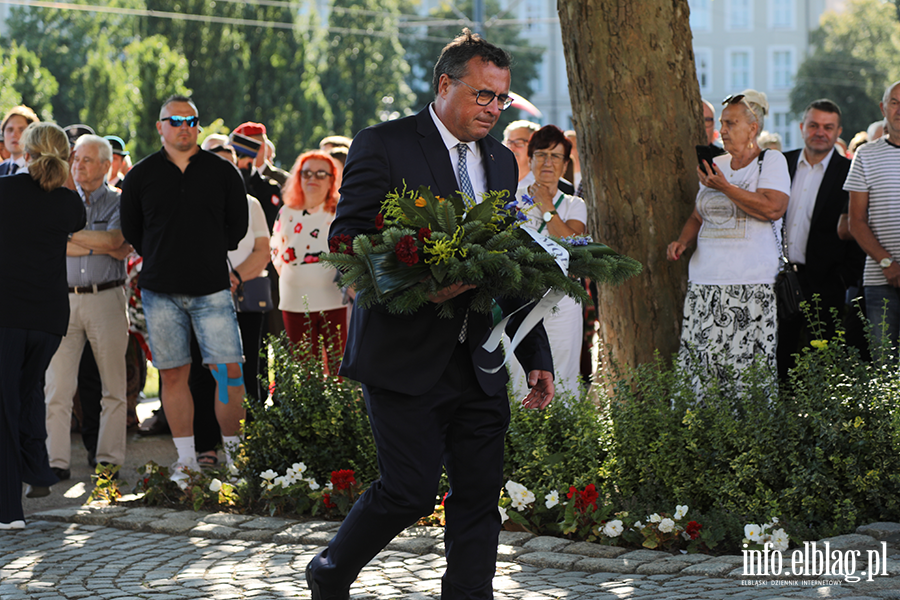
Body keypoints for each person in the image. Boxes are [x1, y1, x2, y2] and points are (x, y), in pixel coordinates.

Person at [306, 29, 555, 600]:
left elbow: (507, 257)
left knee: (477, 496)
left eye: (503, 99)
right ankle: (330, 572)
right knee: (409, 492)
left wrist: (533, 352)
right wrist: (425, 282)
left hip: (482, 356)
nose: (494, 110)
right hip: (403, 353)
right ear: (445, 85)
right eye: (483, 96)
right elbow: (348, 241)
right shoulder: (384, 144)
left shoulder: (499, 159)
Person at [120, 94, 248, 475]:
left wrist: (202, 253)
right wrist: (167, 256)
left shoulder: (223, 173)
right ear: (159, 127)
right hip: (160, 292)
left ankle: (237, 461)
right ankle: (187, 462)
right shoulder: (140, 175)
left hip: (212, 288)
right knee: (173, 374)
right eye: (174, 121)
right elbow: (134, 232)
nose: (183, 127)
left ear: (198, 125)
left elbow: (236, 229)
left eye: (190, 120)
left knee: (229, 372)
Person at [667, 89, 790, 394]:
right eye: (722, 123)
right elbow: (699, 215)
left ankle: (746, 439)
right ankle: (700, 436)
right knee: (703, 373)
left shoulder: (770, 161)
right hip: (704, 285)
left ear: (753, 127)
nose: (722, 130)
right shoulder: (715, 165)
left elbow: (772, 208)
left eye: (731, 123)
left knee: (746, 376)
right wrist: (682, 241)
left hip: (750, 286)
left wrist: (725, 187)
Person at [0, 122, 85, 529]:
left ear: (27, 152)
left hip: (8, 316)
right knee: (27, 390)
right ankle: (37, 470)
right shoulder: (70, 204)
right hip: (50, 319)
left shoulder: (5, 191)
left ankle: (9, 510)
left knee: (6, 406)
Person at [44, 135, 132, 479]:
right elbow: (53, 245)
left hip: (107, 297)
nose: (78, 165)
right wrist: (102, 245)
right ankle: (55, 462)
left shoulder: (120, 202)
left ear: (106, 165)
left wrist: (70, 238)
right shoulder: (58, 201)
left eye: (86, 160)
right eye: (75, 159)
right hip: (63, 299)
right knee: (57, 387)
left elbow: (116, 240)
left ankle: (109, 458)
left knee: (113, 385)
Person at [778, 99, 859, 378]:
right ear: (802, 127)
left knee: (822, 367)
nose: (820, 132)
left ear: (838, 132)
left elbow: (857, 228)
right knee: (778, 358)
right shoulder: (780, 164)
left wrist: (843, 278)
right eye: (813, 125)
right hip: (779, 280)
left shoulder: (850, 172)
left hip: (827, 284)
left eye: (828, 127)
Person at [508, 124, 587, 400]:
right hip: (522, 304)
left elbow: (574, 247)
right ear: (529, 159)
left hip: (563, 305)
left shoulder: (574, 205)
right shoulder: (512, 201)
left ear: (566, 164)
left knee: (564, 379)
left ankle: (563, 440)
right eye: (541, 155)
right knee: (521, 379)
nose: (548, 162)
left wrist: (547, 207)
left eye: (556, 156)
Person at [270, 151, 346, 371]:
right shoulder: (286, 212)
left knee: (337, 367)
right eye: (307, 173)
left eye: (321, 173)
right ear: (298, 177)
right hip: (294, 301)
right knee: (305, 371)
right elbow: (276, 252)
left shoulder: (340, 213)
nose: (313, 178)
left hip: (333, 300)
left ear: (333, 178)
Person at [846, 81, 900, 349]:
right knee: (884, 371)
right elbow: (855, 221)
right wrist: (887, 263)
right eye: (894, 102)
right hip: (880, 280)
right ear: (883, 107)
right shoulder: (865, 155)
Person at [0, 105, 40, 175]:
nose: (14, 135)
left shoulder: (39, 171)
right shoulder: (1, 168)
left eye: (21, 130)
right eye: (10, 130)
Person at [502, 119, 539, 185]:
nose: (512, 148)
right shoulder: (498, 179)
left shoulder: (541, 183)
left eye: (519, 142)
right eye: (509, 142)